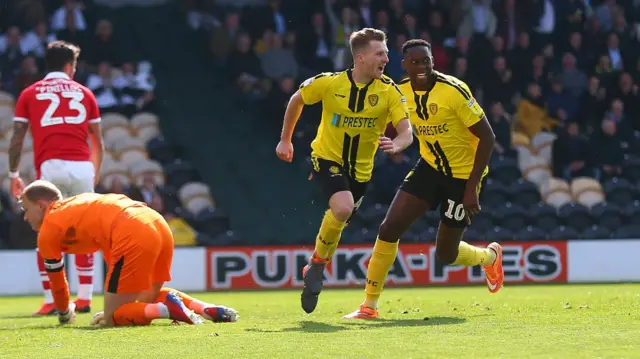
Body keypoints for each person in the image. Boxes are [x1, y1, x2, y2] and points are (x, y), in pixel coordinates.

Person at [343, 39, 503, 319]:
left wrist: (471, 188)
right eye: (415, 62)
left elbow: (488, 137)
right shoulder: (399, 91)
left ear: (433, 61)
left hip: (463, 176)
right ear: (403, 65)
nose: (421, 66)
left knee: (446, 255)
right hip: (429, 168)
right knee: (388, 228)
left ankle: (489, 257)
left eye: (426, 61)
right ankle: (369, 306)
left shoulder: (453, 90)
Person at [275, 28, 413, 314]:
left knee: (342, 214)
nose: (387, 58)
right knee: (343, 207)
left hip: (362, 172)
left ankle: (316, 263)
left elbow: (406, 131)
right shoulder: (329, 83)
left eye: (386, 53)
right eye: (380, 53)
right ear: (360, 57)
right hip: (327, 158)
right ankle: (318, 264)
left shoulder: (389, 91)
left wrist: (398, 144)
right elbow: (297, 99)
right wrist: (285, 139)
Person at [19, 180, 239, 326]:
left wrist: (65, 314)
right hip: (157, 222)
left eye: (25, 209)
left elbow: (57, 282)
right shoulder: (77, 206)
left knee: (114, 317)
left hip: (130, 230)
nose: (25, 218)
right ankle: (206, 308)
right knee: (146, 297)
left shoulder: (49, 229)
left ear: (40, 205)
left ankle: (166, 309)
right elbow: (108, 243)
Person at [8, 41, 104, 315]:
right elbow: (98, 140)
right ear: (68, 66)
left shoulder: (30, 93)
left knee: (47, 230)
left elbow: (17, 138)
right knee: (85, 230)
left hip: (51, 167)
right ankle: (84, 298)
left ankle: (52, 299)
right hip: (82, 166)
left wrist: (14, 174)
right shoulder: (85, 93)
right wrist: (93, 171)